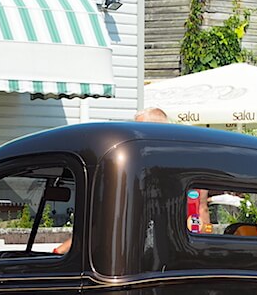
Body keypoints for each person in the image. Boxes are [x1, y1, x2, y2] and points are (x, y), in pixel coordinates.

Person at [53, 108, 172, 254]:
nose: (136, 135)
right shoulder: (169, 163)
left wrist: (62, 250)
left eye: (140, 129)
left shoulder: (135, 168)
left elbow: (106, 220)